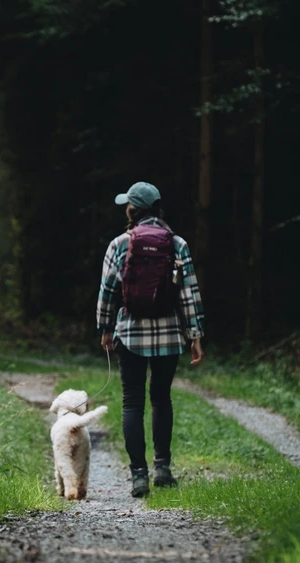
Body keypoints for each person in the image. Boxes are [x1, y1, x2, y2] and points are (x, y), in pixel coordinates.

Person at [96, 181, 205, 498]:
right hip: (169, 334)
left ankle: (139, 476)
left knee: (132, 402)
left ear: (133, 210)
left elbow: (107, 291)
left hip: (130, 333)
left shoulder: (119, 244)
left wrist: (105, 328)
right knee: (161, 399)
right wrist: (195, 335)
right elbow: (190, 295)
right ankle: (163, 469)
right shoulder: (177, 244)